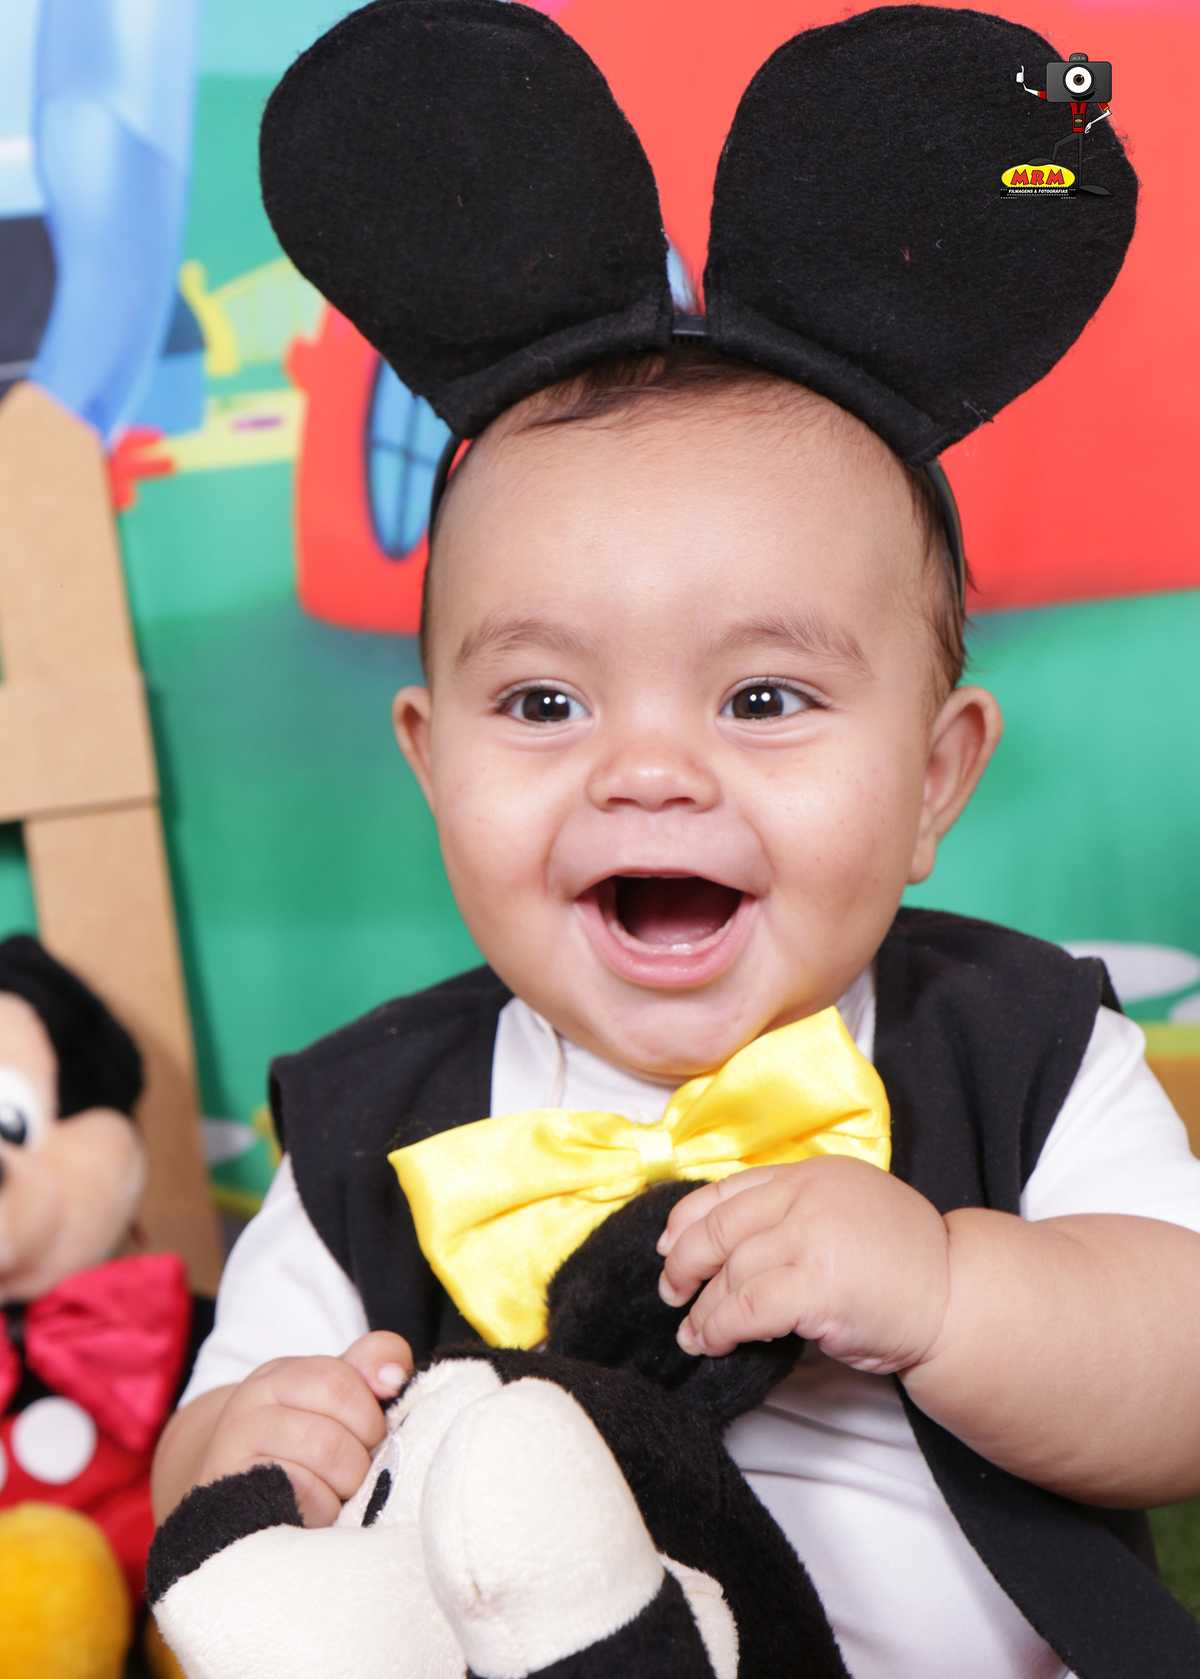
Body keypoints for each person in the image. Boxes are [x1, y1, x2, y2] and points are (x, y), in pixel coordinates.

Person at [152, 5, 1200, 1675]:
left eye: (764, 699)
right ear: (428, 762)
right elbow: (204, 1493)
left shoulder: (1026, 1050)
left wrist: (947, 1293)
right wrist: (248, 1447)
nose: (647, 773)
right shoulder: (366, 1129)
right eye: (545, 703)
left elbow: (1181, 1390)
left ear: (936, 781)